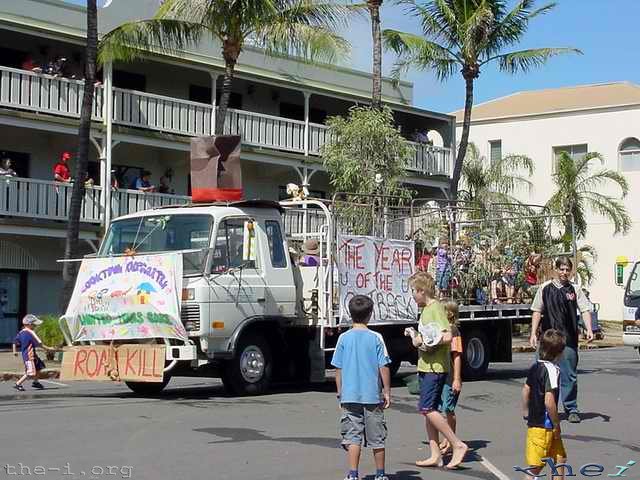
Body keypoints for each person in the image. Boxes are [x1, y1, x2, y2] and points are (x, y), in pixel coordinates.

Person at [405, 272, 468, 469]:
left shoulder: (436, 308)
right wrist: (416, 337)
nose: (412, 296)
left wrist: (423, 341)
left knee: (427, 408)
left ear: (422, 291)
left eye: (413, 292)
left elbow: (447, 336)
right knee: (427, 410)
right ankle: (435, 454)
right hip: (425, 365)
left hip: (436, 368)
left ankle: (457, 444)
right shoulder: (426, 309)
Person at [331, 295, 392, 480]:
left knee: (352, 436)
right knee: (377, 438)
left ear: (350, 314)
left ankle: (353, 474)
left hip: (349, 396)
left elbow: (338, 369)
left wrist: (340, 393)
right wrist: (387, 391)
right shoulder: (376, 338)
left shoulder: (343, 338)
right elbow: (384, 367)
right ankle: (380, 474)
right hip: (372, 396)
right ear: (370, 314)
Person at [530, 256, 593, 423]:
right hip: (547, 340)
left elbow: (585, 309)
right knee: (541, 374)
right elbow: (537, 311)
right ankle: (540, 408)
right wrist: (533, 333)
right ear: (556, 270)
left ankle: (571, 408)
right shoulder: (545, 288)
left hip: (568, 339)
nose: (564, 273)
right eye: (562, 269)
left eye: (567, 270)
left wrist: (589, 329)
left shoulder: (575, 289)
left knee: (569, 375)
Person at [521, 329, 567, 480]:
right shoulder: (552, 370)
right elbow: (549, 401)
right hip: (545, 426)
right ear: (559, 353)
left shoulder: (535, 367)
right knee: (536, 467)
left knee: (560, 459)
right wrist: (556, 424)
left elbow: (526, 390)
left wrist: (526, 411)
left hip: (536, 423)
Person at [438, 301, 463, 457]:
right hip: (440, 375)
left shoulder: (453, 331)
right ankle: (446, 439)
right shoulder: (442, 329)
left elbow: (457, 355)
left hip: (450, 376)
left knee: (448, 409)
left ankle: (452, 440)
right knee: (442, 409)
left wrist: (456, 378)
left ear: (450, 314)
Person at [12, 315, 56, 391]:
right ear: (29, 324)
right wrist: (49, 349)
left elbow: (14, 342)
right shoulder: (31, 332)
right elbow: (40, 344)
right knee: (30, 372)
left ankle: (35, 382)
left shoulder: (21, 332)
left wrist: (14, 351)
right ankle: (18, 383)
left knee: (39, 366)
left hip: (32, 355)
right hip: (29, 356)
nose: (35, 326)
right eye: (34, 324)